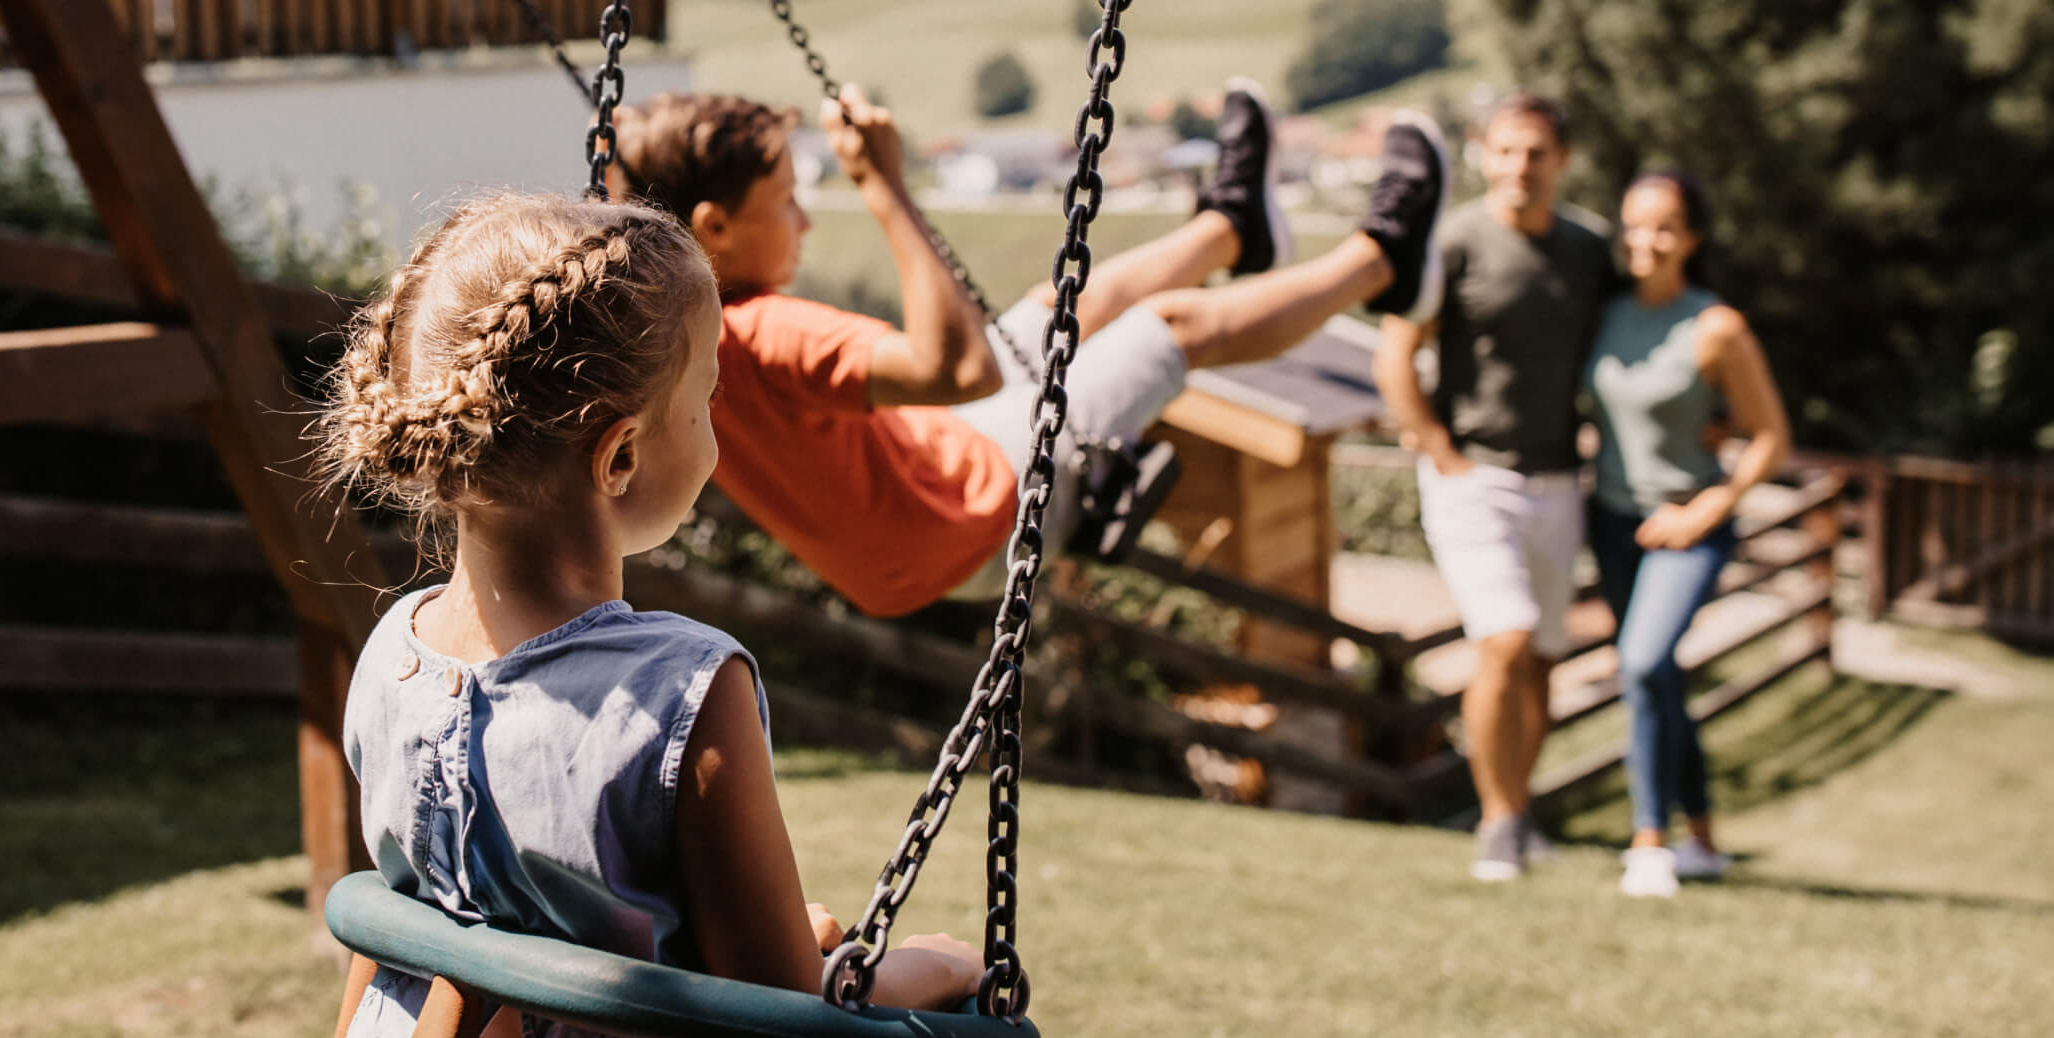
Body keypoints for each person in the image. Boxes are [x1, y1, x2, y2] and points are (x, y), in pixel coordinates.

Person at [307, 191, 982, 1038]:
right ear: (620, 453)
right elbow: (779, 1027)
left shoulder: (391, 660)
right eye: (707, 397)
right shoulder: (684, 688)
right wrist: (932, 968)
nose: (716, 423)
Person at [606, 80, 1449, 618]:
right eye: (786, 201)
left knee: (1068, 305)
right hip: (973, 521)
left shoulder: (657, 325)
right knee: (1174, 330)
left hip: (929, 495)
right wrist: (886, 187)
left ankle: (1233, 224)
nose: (805, 221)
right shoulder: (759, 329)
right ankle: (1386, 255)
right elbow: (957, 367)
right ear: (713, 228)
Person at [1373, 93, 1616, 883]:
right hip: (1473, 477)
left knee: (1543, 658)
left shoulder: (1588, 249)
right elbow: (1395, 352)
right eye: (1505, 151)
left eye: (1535, 153)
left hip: (1559, 480)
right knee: (1504, 639)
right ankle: (1498, 824)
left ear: (1561, 160)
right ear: (1483, 155)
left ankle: (1518, 810)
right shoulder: (1456, 242)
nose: (1520, 167)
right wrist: (1439, 449)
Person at [1586, 169, 1790, 898]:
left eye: (1665, 226)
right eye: (1636, 224)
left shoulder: (1716, 326)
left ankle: (1649, 841)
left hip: (1687, 524)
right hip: (1611, 521)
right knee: (1660, 678)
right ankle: (1704, 840)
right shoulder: (1605, 312)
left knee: (1640, 664)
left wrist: (1709, 507)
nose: (1647, 240)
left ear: (1693, 238)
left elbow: (1771, 436)